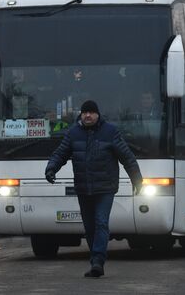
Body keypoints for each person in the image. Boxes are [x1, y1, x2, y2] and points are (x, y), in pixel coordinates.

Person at [45, 100, 143, 278]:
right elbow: (60, 154)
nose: (87, 115)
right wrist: (51, 168)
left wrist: (137, 180)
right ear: (81, 115)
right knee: (89, 228)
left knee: (100, 222)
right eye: (84, 113)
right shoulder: (73, 133)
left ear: (98, 115)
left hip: (105, 188)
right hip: (83, 189)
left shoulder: (110, 132)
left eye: (91, 112)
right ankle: (95, 257)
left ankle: (98, 260)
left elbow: (127, 157)